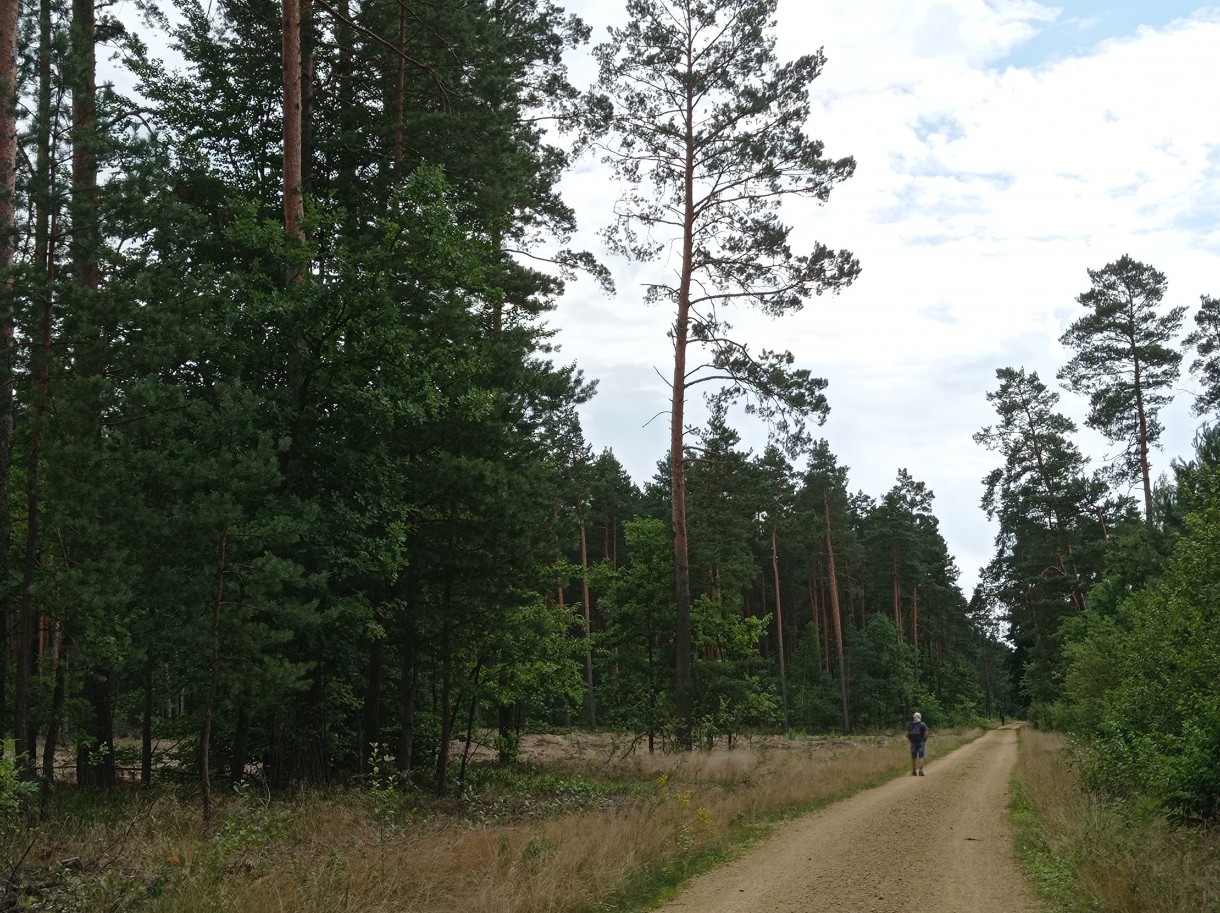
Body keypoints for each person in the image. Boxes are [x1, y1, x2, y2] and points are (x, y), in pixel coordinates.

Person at [907, 711, 929, 776]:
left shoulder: (911, 724)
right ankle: (920, 770)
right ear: (920, 717)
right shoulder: (923, 724)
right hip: (921, 742)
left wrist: (911, 740)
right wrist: (924, 740)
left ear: (914, 717)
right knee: (921, 756)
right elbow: (926, 735)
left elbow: (906, 734)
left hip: (913, 742)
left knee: (913, 757)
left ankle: (914, 771)